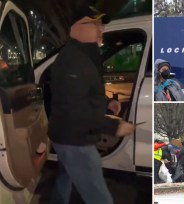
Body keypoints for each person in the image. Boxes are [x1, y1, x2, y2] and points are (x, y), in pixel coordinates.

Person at [48, 7, 134, 204]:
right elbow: (75, 111)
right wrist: (115, 126)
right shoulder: (72, 60)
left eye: (100, 23)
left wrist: (107, 102)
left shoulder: (84, 56)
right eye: (93, 23)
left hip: (69, 136)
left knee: (65, 178)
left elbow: (84, 93)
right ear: (75, 28)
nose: (100, 28)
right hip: (75, 139)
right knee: (98, 196)